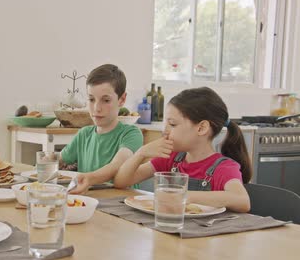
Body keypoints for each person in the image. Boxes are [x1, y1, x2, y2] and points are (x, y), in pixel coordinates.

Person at [114, 87, 251, 213]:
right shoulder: (171, 159)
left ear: (201, 128)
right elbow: (121, 181)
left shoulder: (224, 168)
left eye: (172, 124)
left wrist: (185, 196)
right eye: (165, 124)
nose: (164, 131)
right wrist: (141, 153)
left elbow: (242, 200)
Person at [61, 64, 143, 194]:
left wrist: (88, 179)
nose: (97, 108)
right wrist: (44, 161)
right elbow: (59, 160)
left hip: (121, 205)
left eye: (105, 100)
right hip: (89, 201)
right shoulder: (84, 134)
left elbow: (116, 166)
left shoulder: (131, 134)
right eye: (91, 99)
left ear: (122, 99)